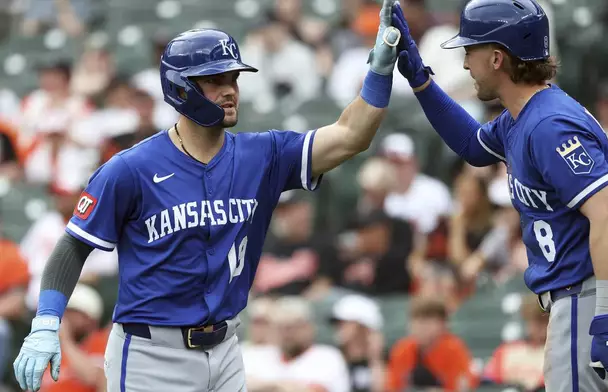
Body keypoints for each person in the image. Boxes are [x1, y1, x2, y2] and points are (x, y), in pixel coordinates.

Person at [12, 0, 402, 390]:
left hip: (228, 348)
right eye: (215, 80)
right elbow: (73, 246)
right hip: (153, 356)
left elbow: (351, 136)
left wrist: (380, 69)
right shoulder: (130, 169)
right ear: (181, 88)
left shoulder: (262, 155)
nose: (230, 90)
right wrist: (46, 322)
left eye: (233, 79)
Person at [390, 0, 608, 391]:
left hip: (592, 296)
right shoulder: (525, 116)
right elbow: (473, 146)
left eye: (469, 51)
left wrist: (607, 315)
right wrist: (422, 82)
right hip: (596, 293)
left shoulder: (549, 125)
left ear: (496, 58)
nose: (463, 64)